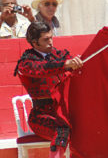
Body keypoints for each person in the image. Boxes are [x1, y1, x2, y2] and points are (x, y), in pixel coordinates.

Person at [14, 21, 83, 158]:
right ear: (34, 42)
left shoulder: (61, 55)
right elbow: (43, 68)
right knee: (62, 129)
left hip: (64, 112)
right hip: (41, 116)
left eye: (51, 37)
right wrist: (66, 64)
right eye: (46, 39)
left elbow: (72, 67)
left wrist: (77, 64)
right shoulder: (26, 62)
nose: (51, 42)